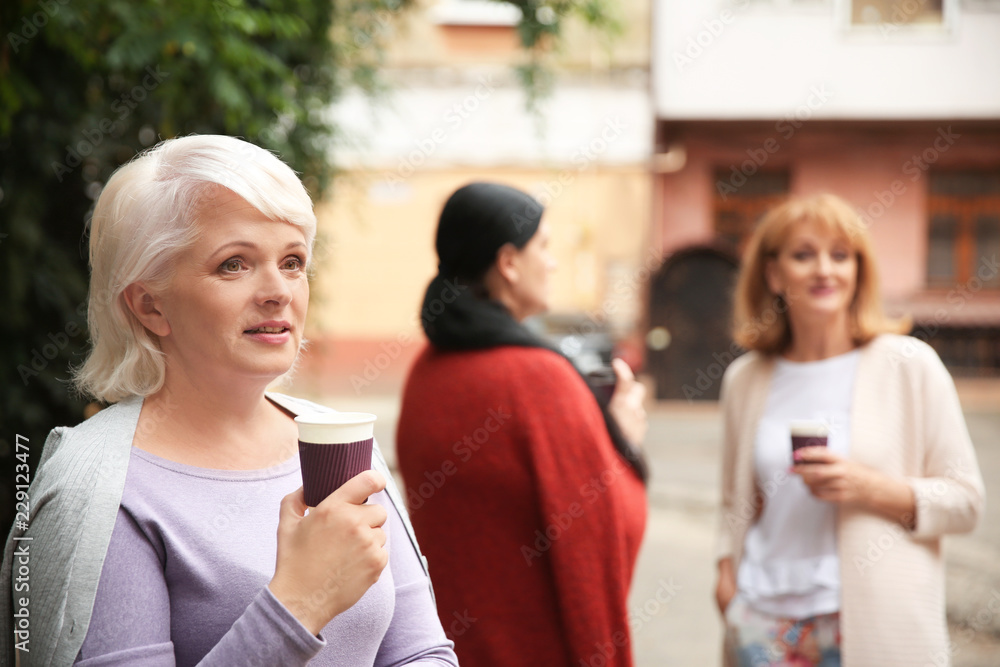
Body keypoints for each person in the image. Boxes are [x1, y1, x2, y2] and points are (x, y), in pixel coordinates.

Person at [0, 135, 458, 667]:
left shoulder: (335, 439)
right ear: (150, 306)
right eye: (233, 265)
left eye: (292, 261)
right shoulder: (102, 487)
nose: (278, 291)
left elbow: (423, 652)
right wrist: (298, 604)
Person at [713, 193, 985, 667]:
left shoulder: (908, 365)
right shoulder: (746, 378)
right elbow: (734, 500)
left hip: (872, 623)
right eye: (804, 254)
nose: (825, 270)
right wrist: (725, 578)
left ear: (859, 269)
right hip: (762, 623)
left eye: (840, 255)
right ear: (773, 274)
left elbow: (966, 503)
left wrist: (870, 488)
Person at [395, 182, 649, 667]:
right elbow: (608, 537)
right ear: (509, 263)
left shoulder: (425, 370)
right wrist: (625, 443)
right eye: (545, 246)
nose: (553, 262)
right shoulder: (538, 379)